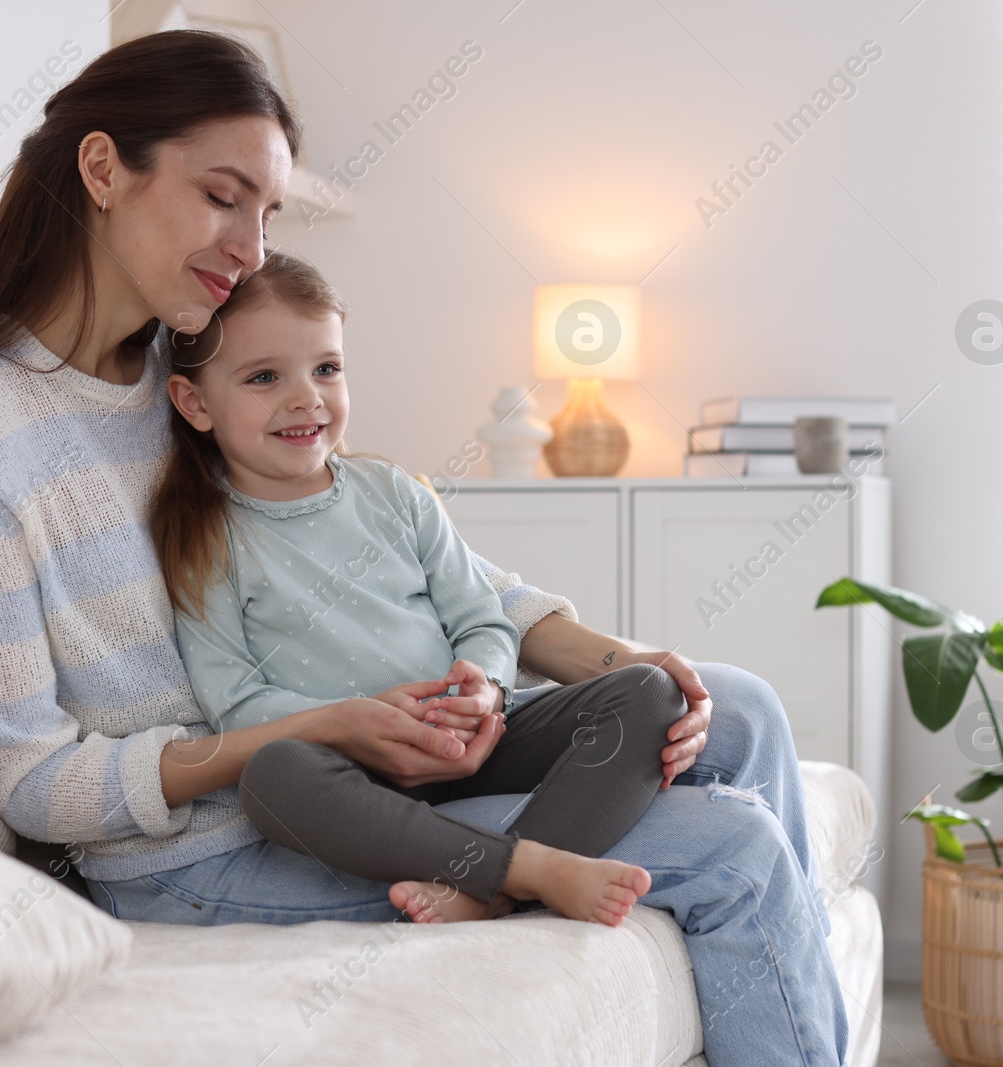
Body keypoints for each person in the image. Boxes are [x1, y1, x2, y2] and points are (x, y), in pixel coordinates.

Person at [0, 29, 849, 1064]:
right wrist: (329, 727)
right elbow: (36, 783)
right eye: (223, 195)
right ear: (102, 168)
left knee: (738, 704)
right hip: (226, 835)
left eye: (268, 213)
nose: (250, 248)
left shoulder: (195, 362)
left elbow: (415, 559)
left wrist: (618, 661)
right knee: (735, 849)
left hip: (378, 751)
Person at [152, 249, 691, 927]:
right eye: (264, 377)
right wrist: (358, 719)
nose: (305, 397)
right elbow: (236, 704)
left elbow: (484, 619)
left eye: (326, 368)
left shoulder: (395, 493)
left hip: (475, 737)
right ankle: (527, 872)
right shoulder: (207, 540)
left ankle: (486, 891)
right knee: (271, 776)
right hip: (357, 774)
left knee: (651, 690)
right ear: (195, 402)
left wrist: (485, 685)